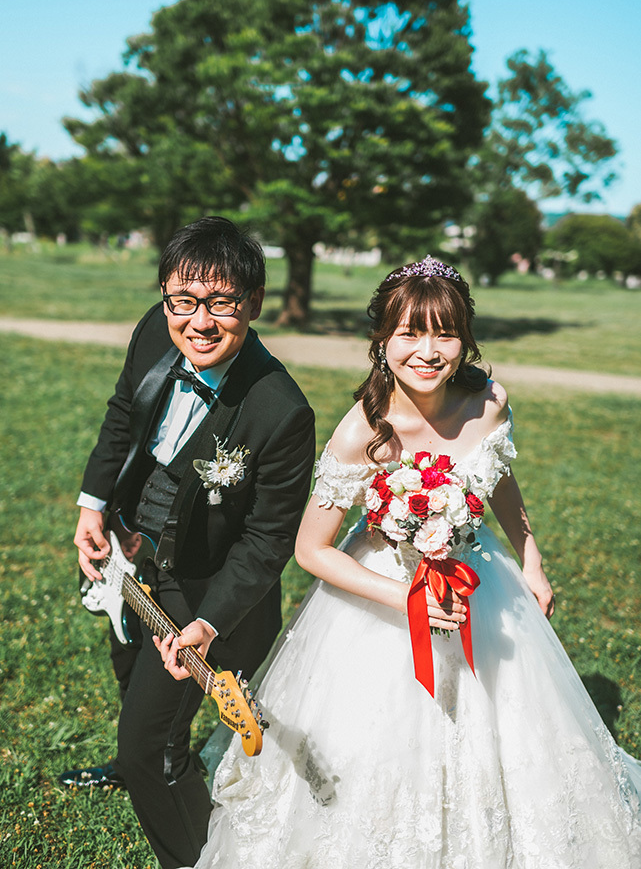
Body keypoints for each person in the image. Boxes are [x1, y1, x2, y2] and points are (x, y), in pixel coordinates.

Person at [159, 255, 641, 869]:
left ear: (466, 339)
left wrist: (532, 557)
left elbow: (500, 478)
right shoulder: (365, 430)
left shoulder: (488, 403)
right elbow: (311, 549)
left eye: (446, 332)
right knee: (380, 744)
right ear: (381, 340)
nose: (428, 350)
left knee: (504, 724)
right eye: (410, 332)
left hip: (477, 578)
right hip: (382, 592)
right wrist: (407, 598)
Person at [60, 217, 315, 869]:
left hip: (205, 594)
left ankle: (199, 853)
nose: (198, 321)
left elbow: (266, 541)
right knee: (126, 666)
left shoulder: (280, 410)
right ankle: (138, 752)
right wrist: (94, 505)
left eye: (220, 303)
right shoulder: (156, 326)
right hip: (126, 545)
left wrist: (206, 621)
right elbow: (124, 410)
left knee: (155, 751)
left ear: (252, 305)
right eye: (183, 301)